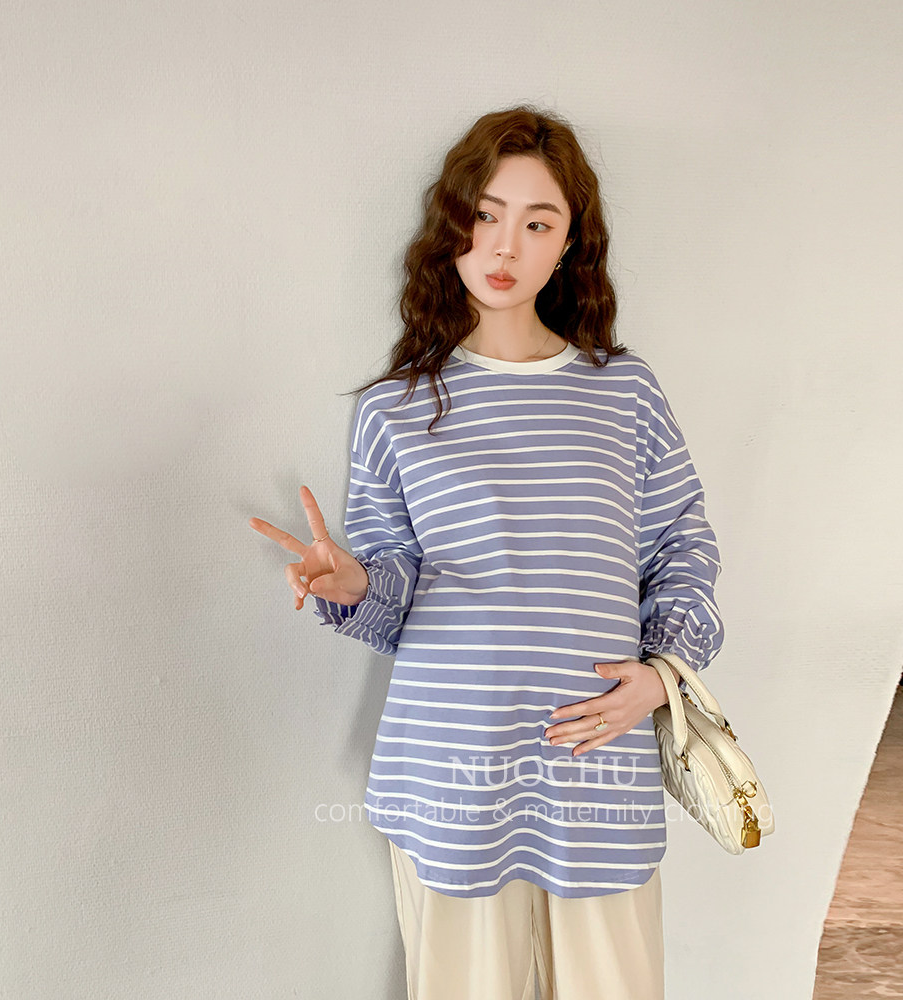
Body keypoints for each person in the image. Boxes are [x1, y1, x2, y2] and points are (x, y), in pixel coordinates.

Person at [248, 105, 724, 1000]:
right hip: (452, 758)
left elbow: (683, 546)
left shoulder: (624, 391)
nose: (506, 245)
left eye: (538, 223)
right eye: (486, 214)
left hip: (597, 759)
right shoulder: (396, 407)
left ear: (569, 245)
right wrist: (353, 583)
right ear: (453, 224)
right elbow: (394, 595)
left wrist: (664, 676)